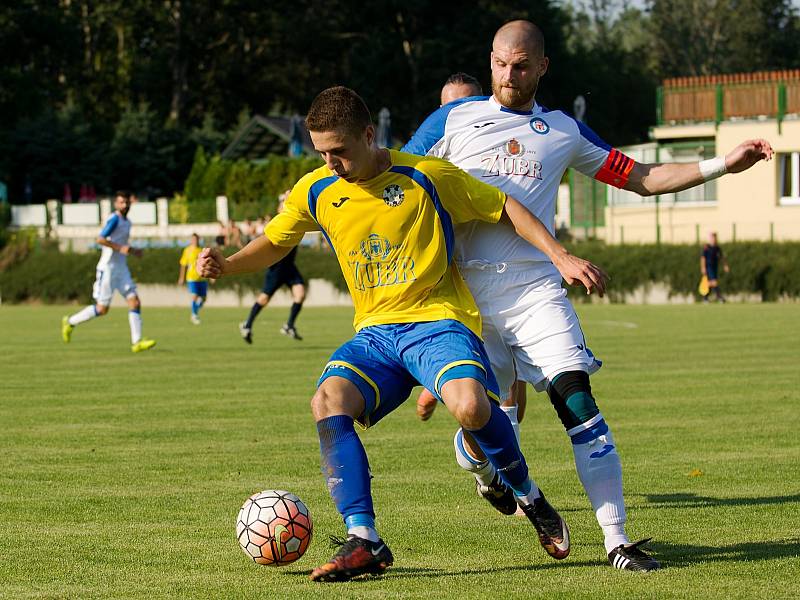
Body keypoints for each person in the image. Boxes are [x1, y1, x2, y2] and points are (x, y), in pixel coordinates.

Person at [403, 19, 773, 572]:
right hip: (464, 298)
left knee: (576, 398)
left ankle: (617, 541)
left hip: (534, 291)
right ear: (490, 61)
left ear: (543, 66)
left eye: (522, 65)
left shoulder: (562, 131)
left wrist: (723, 164)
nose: (509, 76)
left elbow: (642, 176)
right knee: (482, 424)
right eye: (501, 64)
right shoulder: (453, 118)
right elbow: (394, 180)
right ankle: (478, 463)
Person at [197, 86, 608, 582]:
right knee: (327, 401)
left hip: (438, 321)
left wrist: (560, 256)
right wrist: (229, 263)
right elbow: (275, 241)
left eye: (340, 151)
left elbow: (505, 208)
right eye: (322, 152)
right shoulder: (317, 189)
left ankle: (528, 494)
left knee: (472, 408)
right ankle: (364, 539)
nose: (331, 163)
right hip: (376, 335)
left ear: (369, 135)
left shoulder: (425, 175)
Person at [61, 191, 156, 353]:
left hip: (121, 268)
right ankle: (70, 322)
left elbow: (122, 244)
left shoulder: (128, 222)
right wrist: (121, 248)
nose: (125, 205)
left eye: (127, 202)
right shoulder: (114, 219)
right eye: (121, 202)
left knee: (135, 302)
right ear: (116, 204)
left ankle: (137, 342)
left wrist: (133, 251)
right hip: (108, 269)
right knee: (102, 309)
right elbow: (100, 239)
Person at [239, 193, 307, 343]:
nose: (286, 203)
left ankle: (289, 325)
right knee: (264, 299)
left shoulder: (295, 217)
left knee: (300, 294)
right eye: (283, 202)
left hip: (289, 267)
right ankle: (247, 325)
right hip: (277, 267)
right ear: (278, 207)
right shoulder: (277, 222)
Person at [178, 233, 208, 324]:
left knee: (203, 298)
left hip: (202, 278)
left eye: (196, 239)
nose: (195, 241)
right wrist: (181, 277)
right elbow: (183, 264)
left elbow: (206, 264)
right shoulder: (187, 250)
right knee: (194, 295)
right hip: (191, 277)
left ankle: (195, 309)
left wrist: (210, 276)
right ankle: (194, 315)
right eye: (193, 239)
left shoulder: (202, 250)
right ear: (191, 240)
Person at [700, 232, 729, 302]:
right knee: (714, 282)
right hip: (708, 267)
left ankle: (705, 297)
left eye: (714, 238)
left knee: (711, 283)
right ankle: (720, 297)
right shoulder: (706, 247)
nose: (713, 240)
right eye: (712, 238)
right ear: (710, 239)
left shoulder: (717, 248)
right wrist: (703, 267)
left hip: (715, 267)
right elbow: (703, 258)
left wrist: (725, 265)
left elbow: (721, 257)